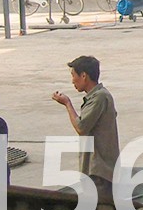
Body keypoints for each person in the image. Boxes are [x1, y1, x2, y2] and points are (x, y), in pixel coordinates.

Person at [51, 55, 119, 200]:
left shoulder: (99, 97)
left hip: (99, 172)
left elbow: (81, 127)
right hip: (97, 171)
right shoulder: (99, 96)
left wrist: (67, 104)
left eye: (73, 75)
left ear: (83, 76)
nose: (72, 81)